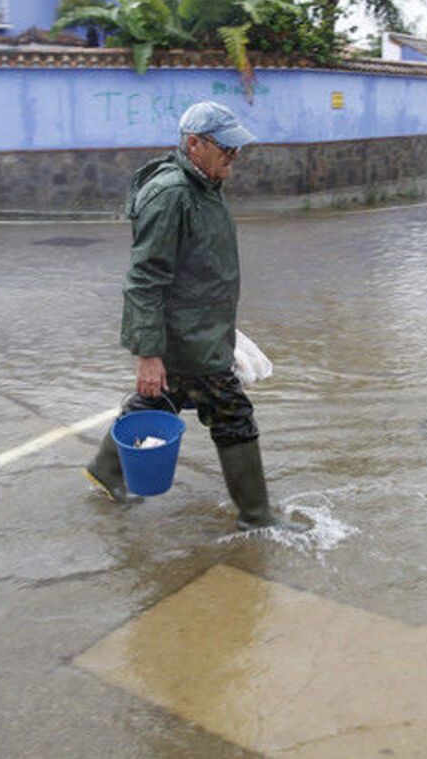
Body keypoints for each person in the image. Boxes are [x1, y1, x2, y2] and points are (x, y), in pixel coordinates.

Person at [84, 100, 292, 531]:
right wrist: (148, 354)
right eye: (226, 150)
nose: (234, 158)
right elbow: (145, 278)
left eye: (236, 150)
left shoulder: (203, 185)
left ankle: (106, 471)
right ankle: (257, 517)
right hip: (188, 338)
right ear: (194, 144)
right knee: (233, 415)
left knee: (160, 399)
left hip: (201, 329)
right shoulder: (173, 194)